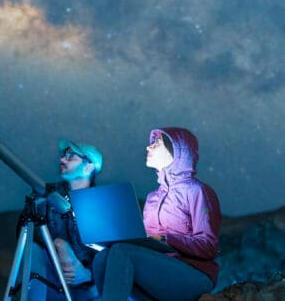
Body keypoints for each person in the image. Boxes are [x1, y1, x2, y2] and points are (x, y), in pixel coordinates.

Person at [92, 127, 221, 300]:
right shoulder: (153, 198)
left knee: (123, 252)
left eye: (156, 143)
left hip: (192, 274)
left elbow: (208, 247)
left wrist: (165, 239)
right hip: (157, 271)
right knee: (103, 258)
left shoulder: (197, 191)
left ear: (176, 151)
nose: (148, 147)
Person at [21, 138, 104, 300]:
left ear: (88, 167)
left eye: (71, 157)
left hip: (90, 286)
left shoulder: (102, 203)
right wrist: (59, 245)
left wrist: (89, 275)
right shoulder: (47, 195)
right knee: (33, 250)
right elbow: (25, 228)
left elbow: (112, 250)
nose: (62, 159)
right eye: (63, 155)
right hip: (52, 278)